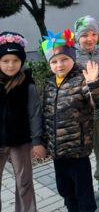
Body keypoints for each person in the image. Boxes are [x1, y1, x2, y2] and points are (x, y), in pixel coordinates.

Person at [41, 29, 99, 212]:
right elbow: (46, 116)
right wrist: (45, 143)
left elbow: (98, 101)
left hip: (78, 152)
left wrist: (94, 84)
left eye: (64, 59)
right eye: (54, 62)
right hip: (57, 152)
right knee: (66, 191)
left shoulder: (81, 80)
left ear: (73, 59)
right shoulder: (49, 84)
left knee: (83, 192)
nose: (59, 65)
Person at [0, 32, 46, 212]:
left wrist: (37, 141)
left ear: (22, 61)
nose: (10, 65)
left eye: (15, 60)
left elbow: (34, 114)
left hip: (21, 141)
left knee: (24, 182)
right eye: (5, 61)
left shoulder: (28, 85)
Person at [74, 15, 99, 206]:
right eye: (84, 35)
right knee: (80, 155)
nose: (89, 39)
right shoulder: (71, 57)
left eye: (93, 34)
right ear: (77, 37)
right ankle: (82, 188)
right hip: (78, 116)